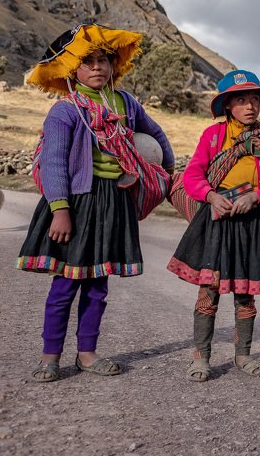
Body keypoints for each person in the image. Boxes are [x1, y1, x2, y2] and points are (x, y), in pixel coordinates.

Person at [18, 23, 174, 382]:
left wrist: (166, 168)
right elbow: (54, 161)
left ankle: (87, 354)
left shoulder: (126, 103)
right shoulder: (66, 111)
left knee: (98, 286)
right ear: (73, 69)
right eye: (88, 62)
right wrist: (60, 210)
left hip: (114, 201)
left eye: (103, 60)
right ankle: (50, 356)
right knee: (65, 284)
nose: (98, 67)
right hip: (76, 202)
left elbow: (155, 133)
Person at [167, 70, 260, 382]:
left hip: (252, 223)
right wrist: (210, 195)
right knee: (209, 289)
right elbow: (194, 174)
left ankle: (243, 355)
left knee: (245, 293)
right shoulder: (213, 136)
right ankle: (201, 356)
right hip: (217, 221)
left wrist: (257, 197)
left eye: (253, 99)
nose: (249, 106)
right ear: (227, 106)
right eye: (240, 100)